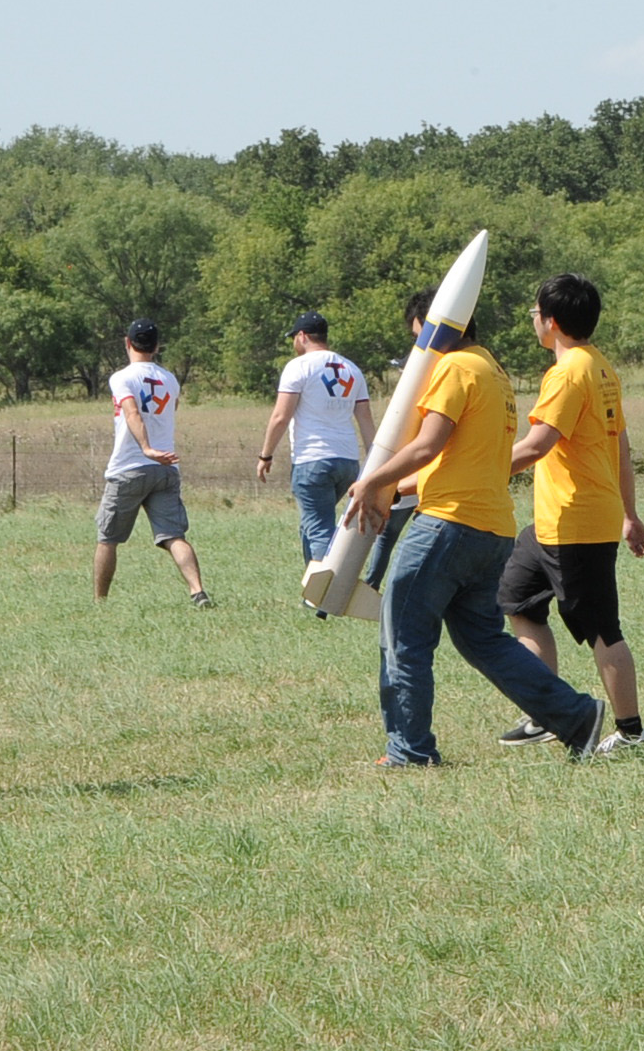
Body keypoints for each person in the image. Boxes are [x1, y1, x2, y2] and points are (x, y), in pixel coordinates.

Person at [345, 286, 605, 766]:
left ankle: (409, 751)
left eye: (421, 337)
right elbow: (462, 458)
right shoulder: (493, 371)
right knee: (484, 641)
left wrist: (372, 481)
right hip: (492, 531)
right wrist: (395, 490)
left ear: (441, 325)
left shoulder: (454, 367)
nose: (420, 351)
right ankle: (576, 716)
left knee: (404, 636)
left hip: (446, 526)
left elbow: (427, 446)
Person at [496, 273, 644, 753]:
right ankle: (547, 711)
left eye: (535, 312)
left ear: (553, 322)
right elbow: (620, 445)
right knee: (518, 599)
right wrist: (629, 513)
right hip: (554, 523)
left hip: (575, 524)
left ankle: (632, 734)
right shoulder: (600, 367)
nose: (533, 319)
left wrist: (477, 472)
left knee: (601, 628)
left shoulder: (567, 374)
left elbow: (537, 445)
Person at [96, 319, 210, 606]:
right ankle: (198, 591)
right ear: (157, 346)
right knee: (174, 535)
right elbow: (171, 410)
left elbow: (132, 413)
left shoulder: (122, 377)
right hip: (166, 468)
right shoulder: (170, 379)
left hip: (129, 467)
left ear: (127, 342)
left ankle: (100, 602)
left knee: (108, 538)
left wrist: (146, 448)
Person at [256, 311, 374, 567]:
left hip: (313, 459)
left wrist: (266, 455)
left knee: (319, 528)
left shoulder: (298, 366)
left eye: (294, 338)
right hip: (347, 461)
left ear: (302, 336)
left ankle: (325, 587)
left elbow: (280, 416)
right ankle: (311, 582)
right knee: (312, 523)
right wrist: (374, 461)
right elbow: (365, 419)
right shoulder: (351, 369)